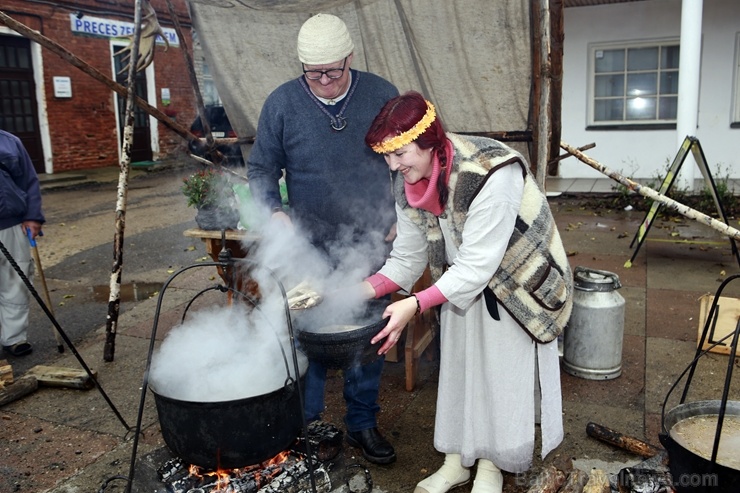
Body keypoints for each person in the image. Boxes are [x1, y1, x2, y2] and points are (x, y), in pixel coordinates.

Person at [358, 91, 573, 493]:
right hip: (458, 282)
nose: (392, 165)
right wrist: (357, 290)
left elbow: (478, 266)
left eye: (399, 153)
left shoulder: (492, 171)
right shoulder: (409, 179)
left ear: (428, 140)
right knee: (458, 368)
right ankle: (456, 461)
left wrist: (416, 304)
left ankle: (491, 468)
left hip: (516, 284)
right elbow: (407, 257)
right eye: (386, 156)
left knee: (499, 375)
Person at [246, 13, 399, 464]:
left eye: (334, 71)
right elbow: (260, 169)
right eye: (315, 74)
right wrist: (273, 211)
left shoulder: (380, 94)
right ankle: (305, 425)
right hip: (306, 243)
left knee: (366, 332)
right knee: (305, 330)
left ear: (350, 57)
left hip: (371, 237)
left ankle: (362, 424)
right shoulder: (282, 104)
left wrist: (400, 215)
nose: (326, 81)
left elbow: (405, 155)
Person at [0, 130, 45, 357]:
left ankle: (14, 338)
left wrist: (33, 216)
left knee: (16, 281)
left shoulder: (10, 142)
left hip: (11, 224)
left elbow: (29, 181)